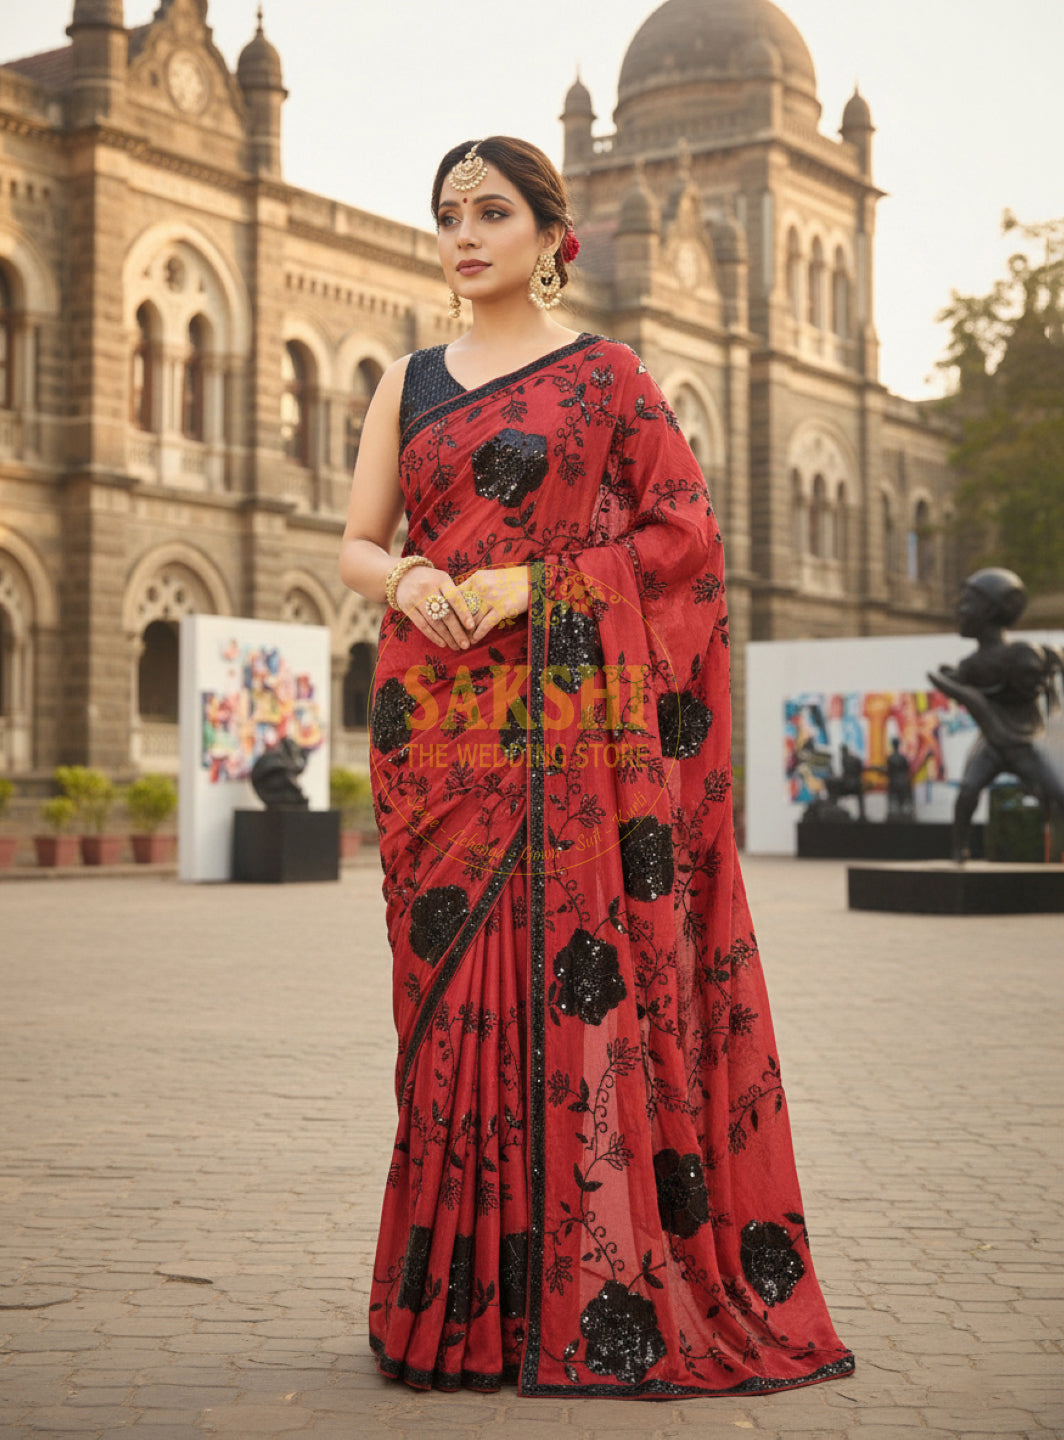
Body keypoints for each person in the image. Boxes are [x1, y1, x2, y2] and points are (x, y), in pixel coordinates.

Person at [338, 136, 853, 1398]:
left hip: (575, 726)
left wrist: (532, 584)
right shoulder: (408, 380)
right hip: (439, 726)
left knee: (578, 994)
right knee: (451, 1003)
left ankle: (594, 1293)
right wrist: (410, 577)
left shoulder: (608, 379)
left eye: (493, 212)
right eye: (448, 213)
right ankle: (453, 1311)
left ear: (552, 238)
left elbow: (684, 538)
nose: (465, 234)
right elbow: (357, 541)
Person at [929, 567, 1064, 862]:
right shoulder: (971, 665)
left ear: (990, 610)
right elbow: (958, 679)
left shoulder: (1021, 654)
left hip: (1026, 742)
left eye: (967, 603)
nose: (959, 611)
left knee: (1059, 792)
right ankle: (958, 851)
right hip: (992, 744)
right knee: (967, 793)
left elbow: (1045, 671)